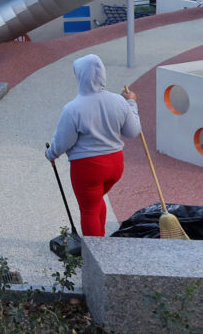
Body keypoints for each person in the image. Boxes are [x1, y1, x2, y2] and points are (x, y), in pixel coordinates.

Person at [44, 55, 140, 237]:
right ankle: (100, 243)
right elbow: (133, 131)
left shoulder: (73, 109)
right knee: (96, 202)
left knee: (88, 211)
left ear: (79, 76)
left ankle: (94, 255)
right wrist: (131, 103)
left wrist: (51, 153)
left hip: (88, 168)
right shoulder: (119, 101)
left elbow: (64, 141)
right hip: (116, 164)